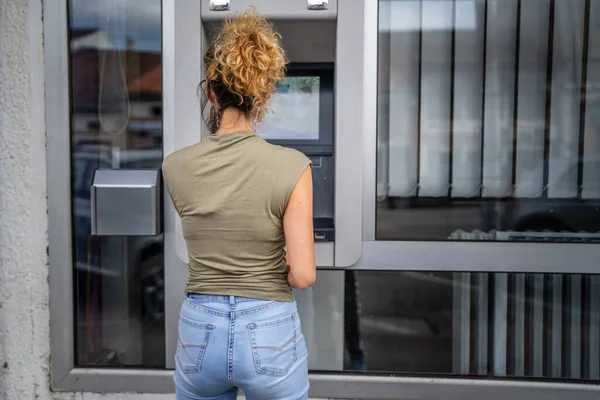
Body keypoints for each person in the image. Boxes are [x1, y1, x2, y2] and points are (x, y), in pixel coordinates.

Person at [162, 10, 316, 400]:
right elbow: (303, 276)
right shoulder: (294, 166)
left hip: (201, 329)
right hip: (268, 327)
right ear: (263, 95)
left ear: (212, 92)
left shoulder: (174, 167)